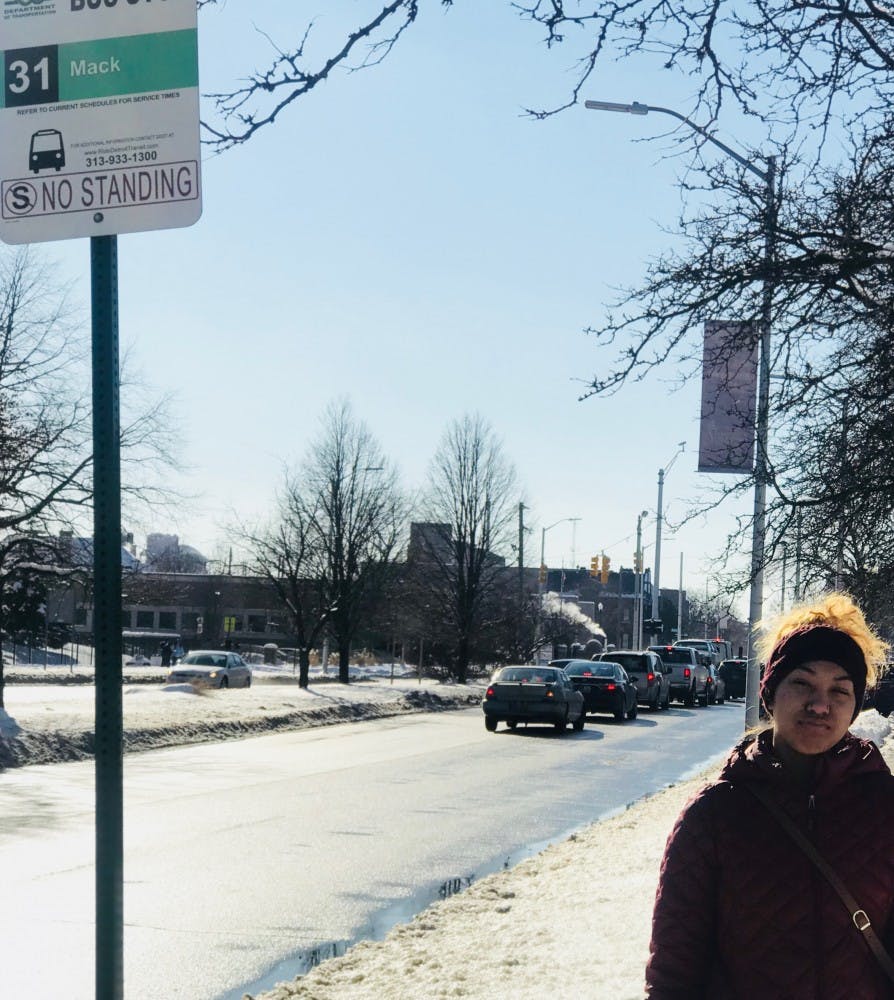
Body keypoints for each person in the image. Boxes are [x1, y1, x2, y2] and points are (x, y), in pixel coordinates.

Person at [645, 592, 894, 999]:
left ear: (855, 707)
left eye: (840, 691)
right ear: (770, 693)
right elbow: (674, 973)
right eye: (802, 683)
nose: (819, 705)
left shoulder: (886, 807)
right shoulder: (714, 816)